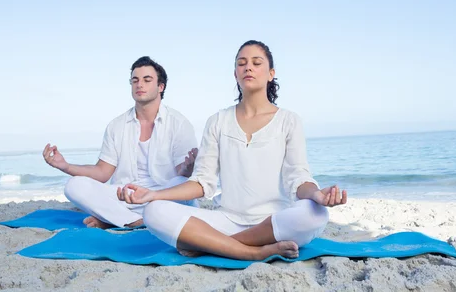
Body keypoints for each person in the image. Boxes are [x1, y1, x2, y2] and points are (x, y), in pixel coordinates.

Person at [117, 41, 348, 260]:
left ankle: (218, 245)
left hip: (275, 221)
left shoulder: (289, 120)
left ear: (271, 73)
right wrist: (153, 195)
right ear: (235, 74)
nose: (248, 67)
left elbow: (298, 179)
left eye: (257, 63)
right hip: (226, 219)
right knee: (154, 212)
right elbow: (201, 183)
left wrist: (317, 195)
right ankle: (251, 252)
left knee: (315, 213)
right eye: (241, 63)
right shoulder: (217, 121)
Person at [42, 56, 198, 229]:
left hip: (161, 197)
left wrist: (188, 169)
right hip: (124, 197)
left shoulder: (179, 123)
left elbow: (183, 176)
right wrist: (65, 166)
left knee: (182, 185)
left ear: (160, 87)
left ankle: (113, 219)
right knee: (74, 186)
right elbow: (102, 172)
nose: (140, 85)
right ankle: (136, 221)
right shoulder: (117, 125)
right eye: (135, 80)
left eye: (147, 80)